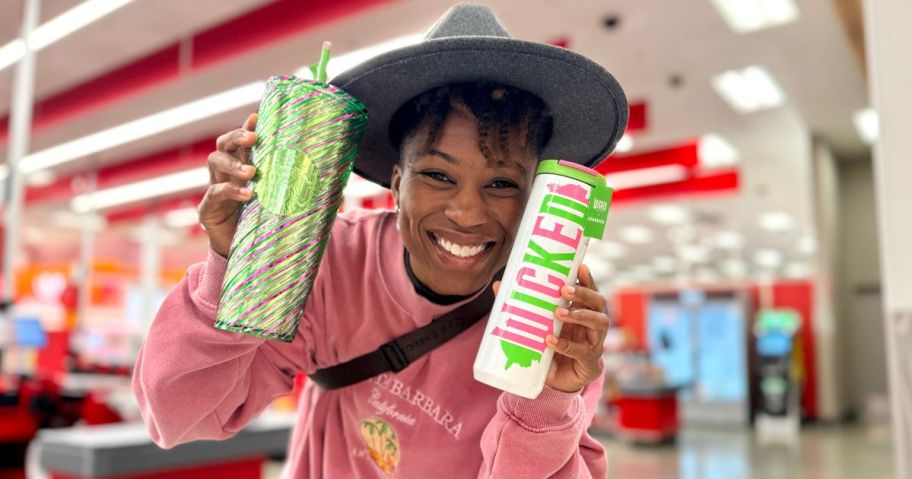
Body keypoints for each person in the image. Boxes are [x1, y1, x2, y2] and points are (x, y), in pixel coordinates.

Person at [133, 4, 627, 478]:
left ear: (534, 198)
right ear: (395, 184)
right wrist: (234, 268)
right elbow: (178, 419)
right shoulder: (331, 266)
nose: (468, 213)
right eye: (437, 174)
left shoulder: (556, 320)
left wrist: (546, 403)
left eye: (502, 184)